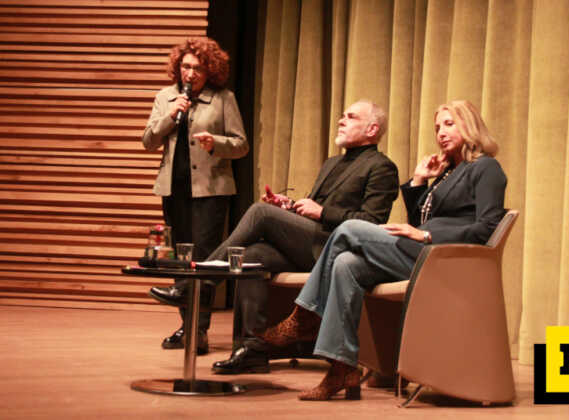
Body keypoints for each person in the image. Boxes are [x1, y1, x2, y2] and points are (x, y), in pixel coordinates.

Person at [259, 99, 507, 401]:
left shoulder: (486, 168)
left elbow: (487, 227)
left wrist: (427, 235)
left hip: (441, 260)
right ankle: (341, 367)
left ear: (470, 125)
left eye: (449, 124)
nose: (441, 133)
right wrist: (419, 180)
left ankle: (306, 314)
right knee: (346, 264)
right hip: (419, 253)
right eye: (437, 127)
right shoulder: (448, 172)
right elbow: (420, 221)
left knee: (349, 229)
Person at [149, 100, 400, 372]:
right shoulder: (332, 163)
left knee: (261, 213)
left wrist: (322, 212)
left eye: (351, 117)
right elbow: (313, 212)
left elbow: (371, 224)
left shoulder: (382, 167)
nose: (341, 120)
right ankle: (253, 349)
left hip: (336, 252)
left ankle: (200, 283)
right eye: (342, 116)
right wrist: (289, 207)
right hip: (312, 244)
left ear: (372, 129)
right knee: (251, 256)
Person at [142, 37, 248, 355]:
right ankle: (186, 326)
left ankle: (198, 330)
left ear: (210, 71)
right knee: (180, 258)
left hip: (210, 191)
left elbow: (241, 145)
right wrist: (170, 115)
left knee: (201, 260)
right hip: (173, 190)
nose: (191, 73)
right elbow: (148, 141)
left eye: (199, 68)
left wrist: (216, 143)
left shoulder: (223, 99)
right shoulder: (165, 97)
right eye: (186, 67)